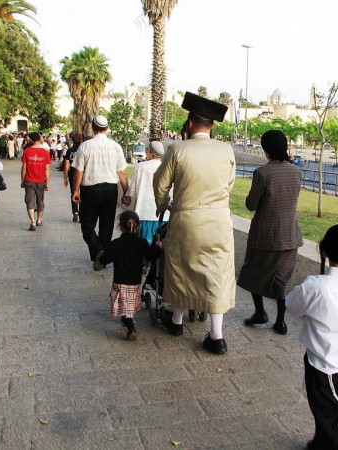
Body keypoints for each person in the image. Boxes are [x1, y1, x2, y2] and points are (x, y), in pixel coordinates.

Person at [153, 92, 235, 354]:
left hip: (186, 219)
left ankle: (176, 321)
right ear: (212, 126)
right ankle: (217, 335)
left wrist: (164, 205)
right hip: (219, 220)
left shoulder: (177, 149)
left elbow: (160, 184)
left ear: (189, 123)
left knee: (180, 269)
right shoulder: (226, 150)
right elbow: (229, 185)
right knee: (217, 273)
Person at [286, 224, 338, 450]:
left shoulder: (314, 286)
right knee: (332, 406)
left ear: (323, 251)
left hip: (320, 362)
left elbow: (291, 307)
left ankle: (330, 445)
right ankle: (321, 441)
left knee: (327, 412)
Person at [237, 129, 303, 335]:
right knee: (283, 278)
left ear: (265, 150)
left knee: (254, 272)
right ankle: (280, 321)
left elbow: (251, 204)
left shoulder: (262, 173)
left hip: (264, 235)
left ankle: (260, 312)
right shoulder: (296, 171)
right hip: (290, 234)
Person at [72, 115, 129, 269]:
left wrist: (75, 190)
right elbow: (122, 172)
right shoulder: (115, 146)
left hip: (90, 190)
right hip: (110, 189)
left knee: (87, 226)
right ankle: (101, 257)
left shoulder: (85, 146)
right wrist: (126, 192)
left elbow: (78, 171)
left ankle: (98, 251)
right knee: (106, 225)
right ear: (107, 127)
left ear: (92, 127)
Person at [97, 210, 162, 340]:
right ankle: (126, 320)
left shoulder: (116, 244)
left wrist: (101, 255)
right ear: (138, 227)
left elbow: (104, 259)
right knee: (128, 305)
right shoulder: (141, 242)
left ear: (120, 227)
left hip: (120, 281)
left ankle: (131, 328)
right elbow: (152, 255)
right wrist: (158, 247)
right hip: (135, 281)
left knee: (124, 305)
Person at [124, 140, 169, 245]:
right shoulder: (165, 167)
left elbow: (132, 188)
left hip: (143, 212)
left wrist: (128, 197)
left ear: (152, 153)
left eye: (148, 150)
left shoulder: (141, 167)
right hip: (163, 216)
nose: (146, 151)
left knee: (144, 243)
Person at [21, 131, 51, 231]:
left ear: (31, 139)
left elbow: (24, 168)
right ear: (39, 139)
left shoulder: (27, 151)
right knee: (40, 201)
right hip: (41, 180)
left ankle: (32, 222)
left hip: (29, 180)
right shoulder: (45, 152)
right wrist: (47, 182)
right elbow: (47, 169)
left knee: (29, 201)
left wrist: (22, 180)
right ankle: (39, 220)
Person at [63, 131, 82, 222]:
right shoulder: (83, 149)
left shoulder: (69, 151)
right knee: (82, 193)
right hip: (82, 174)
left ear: (72, 141)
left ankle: (75, 212)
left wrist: (65, 178)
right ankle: (82, 213)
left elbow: (66, 166)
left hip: (72, 174)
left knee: (74, 192)